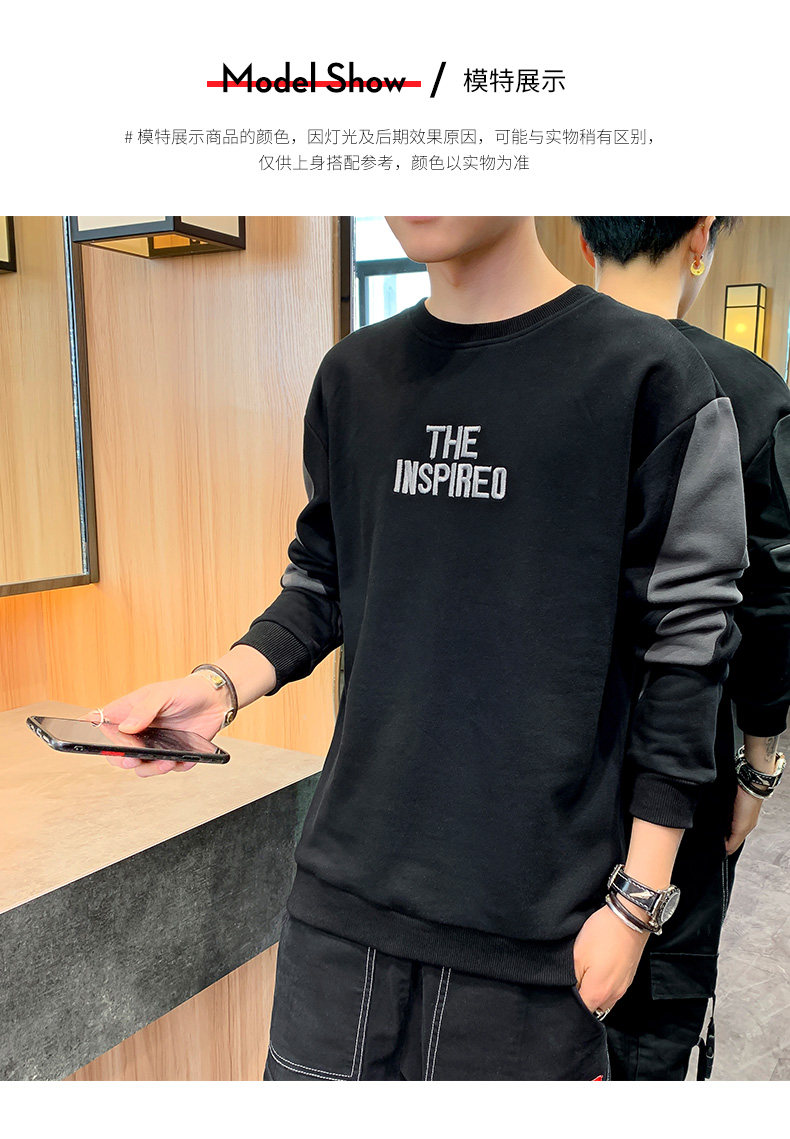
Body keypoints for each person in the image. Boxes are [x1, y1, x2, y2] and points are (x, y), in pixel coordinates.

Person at [94, 217, 748, 1080]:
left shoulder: (650, 375)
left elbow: (689, 648)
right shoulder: (353, 376)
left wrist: (637, 903)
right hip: (337, 922)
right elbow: (324, 579)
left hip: (538, 936)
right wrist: (219, 685)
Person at [574, 215, 790, 1080]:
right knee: (652, 1017)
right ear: (702, 237)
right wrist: (758, 763)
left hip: (530, 776)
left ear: (585, 238)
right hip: (680, 767)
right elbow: (771, 603)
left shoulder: (525, 370)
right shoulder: (749, 389)